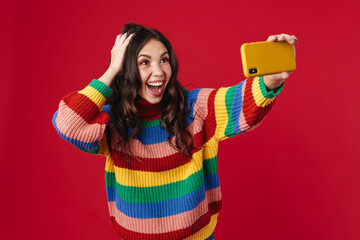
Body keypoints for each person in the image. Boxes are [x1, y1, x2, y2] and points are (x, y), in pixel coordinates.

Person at [52, 23, 298, 240]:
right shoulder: (113, 122)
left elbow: (244, 104)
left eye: (164, 59)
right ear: (126, 70)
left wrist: (271, 80)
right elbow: (68, 123)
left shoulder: (197, 109)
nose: (159, 72)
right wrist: (113, 69)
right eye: (144, 62)